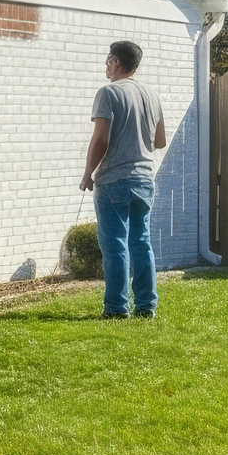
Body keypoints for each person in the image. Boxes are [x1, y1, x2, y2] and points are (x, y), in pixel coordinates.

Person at [81, 41, 168, 319]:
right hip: (144, 180)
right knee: (141, 243)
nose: (106, 64)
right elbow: (160, 141)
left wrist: (88, 174)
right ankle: (146, 307)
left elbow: (101, 138)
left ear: (117, 62)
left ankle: (117, 309)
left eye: (109, 60)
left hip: (114, 181)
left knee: (115, 245)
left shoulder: (108, 93)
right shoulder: (151, 95)